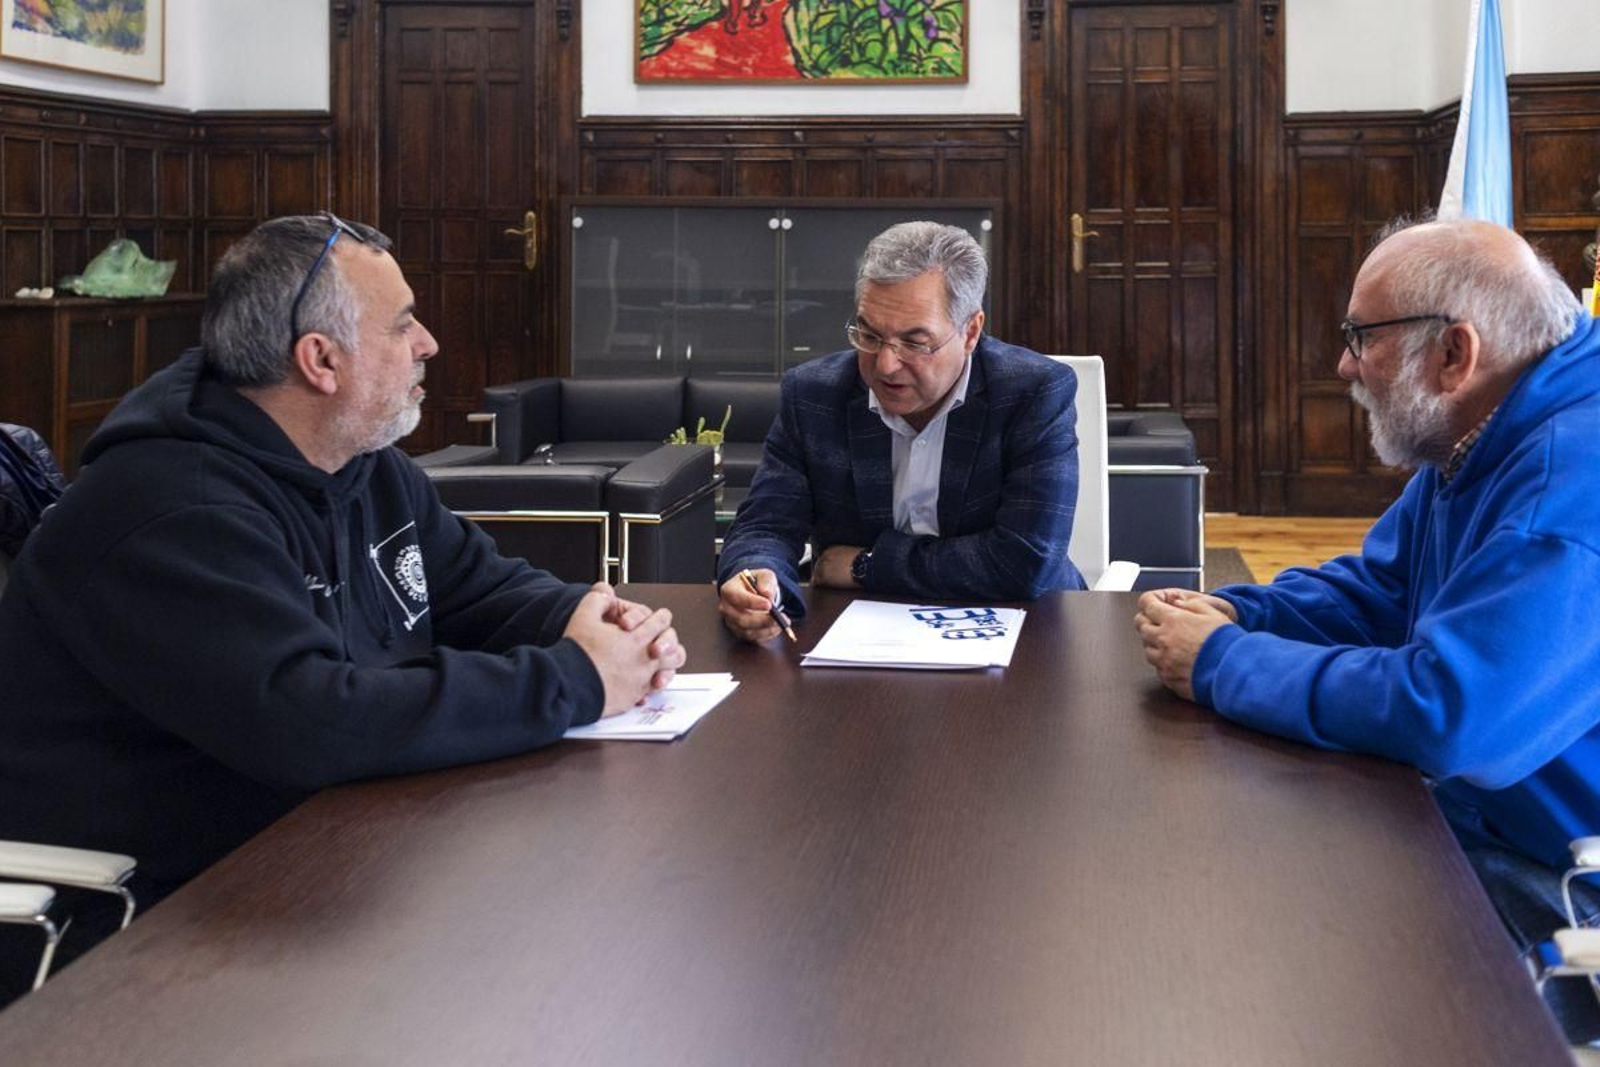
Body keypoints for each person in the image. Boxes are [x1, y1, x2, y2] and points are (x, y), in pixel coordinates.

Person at [0, 214, 686, 986]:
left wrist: (587, 619)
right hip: (147, 924)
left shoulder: (359, 462)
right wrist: (577, 680)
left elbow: (476, 585)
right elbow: (314, 720)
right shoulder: (171, 510)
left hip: (319, 864)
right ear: (320, 360)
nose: (428, 342)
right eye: (402, 325)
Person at [1134, 216, 1600, 1038]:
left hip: (1565, 871)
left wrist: (1221, 662)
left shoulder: (1566, 482)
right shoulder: (1491, 427)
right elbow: (1380, 590)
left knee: (1285, 962)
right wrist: (1241, 609)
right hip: (1496, 819)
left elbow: (1452, 715)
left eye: (1362, 337)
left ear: (1456, 353)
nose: (1344, 364)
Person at [718, 221, 1085, 642]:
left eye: (914, 343)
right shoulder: (814, 395)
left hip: (1031, 635)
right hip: (857, 641)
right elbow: (765, 525)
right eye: (870, 335)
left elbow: (1025, 561)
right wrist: (756, 576)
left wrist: (865, 565)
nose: (886, 365)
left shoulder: (1033, 392)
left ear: (970, 331)